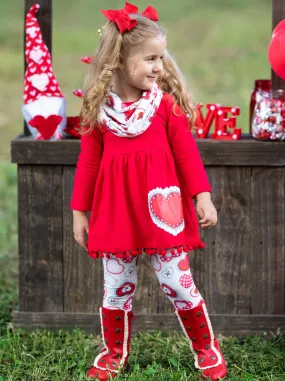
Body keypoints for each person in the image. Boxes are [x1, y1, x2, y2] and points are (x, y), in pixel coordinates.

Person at [71, 2, 227, 380]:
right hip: (116, 212)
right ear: (121, 60)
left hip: (163, 210)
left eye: (162, 57)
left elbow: (187, 154)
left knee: (178, 282)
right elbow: (89, 163)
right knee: (116, 287)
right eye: (151, 58)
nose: (160, 66)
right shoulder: (100, 112)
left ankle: (206, 348)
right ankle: (113, 354)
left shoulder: (164, 107)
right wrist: (79, 211)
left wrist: (201, 195)